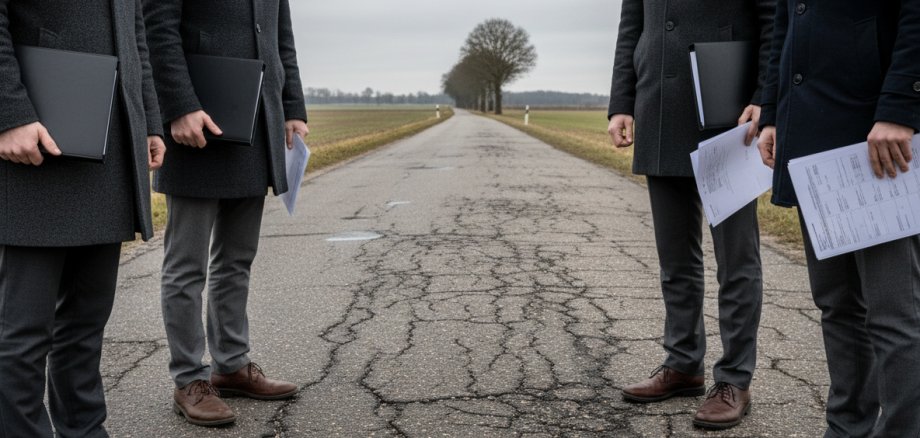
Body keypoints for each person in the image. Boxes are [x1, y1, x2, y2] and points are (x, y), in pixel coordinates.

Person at [606, 0, 775, 429]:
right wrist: (622, 101)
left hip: (728, 111)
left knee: (736, 260)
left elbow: (774, 20)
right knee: (674, 258)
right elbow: (631, 26)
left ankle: (734, 378)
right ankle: (682, 364)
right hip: (659, 106)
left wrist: (764, 96)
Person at [0, 0, 165, 435]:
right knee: (22, 333)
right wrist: (9, 114)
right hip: (35, 138)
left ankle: (86, 431)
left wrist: (147, 119)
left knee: (85, 324)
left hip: (110, 144)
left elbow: (135, 32)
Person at [142, 0, 309, 427]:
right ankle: (189, 379)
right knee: (186, 265)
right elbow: (158, 28)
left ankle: (231, 365)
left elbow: (280, 37)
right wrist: (179, 105)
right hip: (198, 120)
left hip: (257, 121)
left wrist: (292, 107)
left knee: (237, 259)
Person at [757, 1, 920, 436]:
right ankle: (846, 428)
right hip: (814, 139)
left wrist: (900, 107)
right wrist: (773, 112)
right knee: (838, 304)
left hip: (879, 136)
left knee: (895, 313)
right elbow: (786, 26)